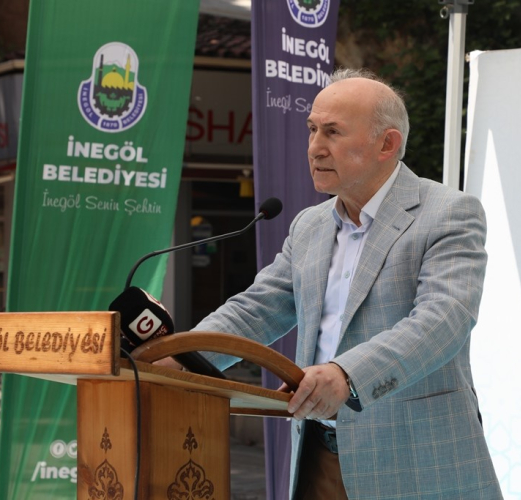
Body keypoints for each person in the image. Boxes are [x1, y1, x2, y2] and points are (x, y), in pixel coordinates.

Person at [159, 68, 502, 499]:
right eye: (312, 129)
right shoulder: (310, 225)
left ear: (387, 144)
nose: (314, 147)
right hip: (318, 456)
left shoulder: (449, 213)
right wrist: (179, 360)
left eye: (333, 132)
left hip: (415, 462)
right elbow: (256, 309)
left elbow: (444, 319)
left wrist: (347, 375)